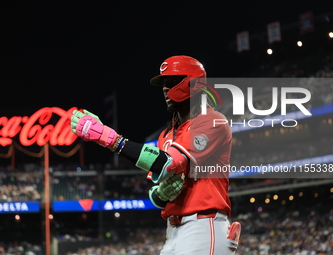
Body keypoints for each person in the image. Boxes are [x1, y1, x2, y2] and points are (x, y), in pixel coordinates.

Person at [70, 55, 241, 255]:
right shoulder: (166, 135)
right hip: (173, 231)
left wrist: (112, 140)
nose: (165, 89)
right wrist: (161, 194)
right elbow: (159, 195)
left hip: (203, 225)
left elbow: (165, 164)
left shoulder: (211, 121)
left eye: (172, 82)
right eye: (163, 84)